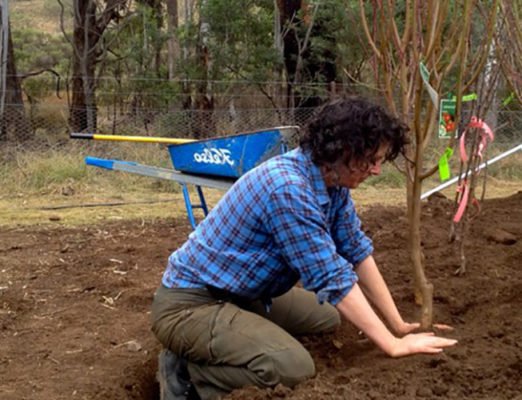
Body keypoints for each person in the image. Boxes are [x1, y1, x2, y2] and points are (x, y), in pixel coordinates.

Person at [151, 96, 457, 400]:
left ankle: (223, 340)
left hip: (242, 294)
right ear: (344, 150)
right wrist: (391, 346)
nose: (377, 170)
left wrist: (398, 325)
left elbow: (356, 250)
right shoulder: (288, 189)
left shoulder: (330, 181)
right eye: (371, 160)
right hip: (191, 304)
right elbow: (331, 277)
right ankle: (189, 371)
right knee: (290, 367)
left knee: (327, 317)